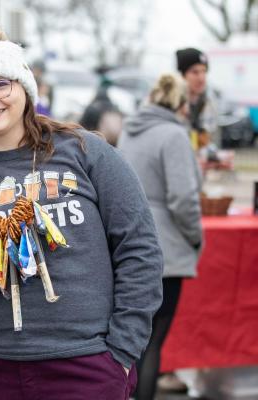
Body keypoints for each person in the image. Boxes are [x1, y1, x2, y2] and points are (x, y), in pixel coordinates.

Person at [0, 21, 163, 399]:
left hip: (84, 366)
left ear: (25, 87)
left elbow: (140, 250)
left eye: (1, 83)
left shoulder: (84, 152)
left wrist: (121, 353)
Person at [118, 73, 203, 400]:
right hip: (166, 249)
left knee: (134, 341)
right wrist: (196, 239)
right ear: (181, 104)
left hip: (129, 243)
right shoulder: (175, 135)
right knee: (153, 344)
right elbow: (184, 199)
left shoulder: (130, 131)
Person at [176, 47, 219, 148]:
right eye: (195, 72)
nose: (201, 78)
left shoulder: (208, 102)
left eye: (204, 71)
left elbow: (210, 142)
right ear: (182, 75)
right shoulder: (171, 103)